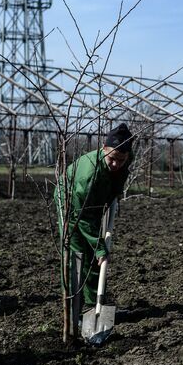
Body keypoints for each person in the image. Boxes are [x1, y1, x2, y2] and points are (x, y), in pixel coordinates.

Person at [54, 123, 134, 313]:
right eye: (112, 158)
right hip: (71, 206)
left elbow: (118, 178)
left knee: (94, 258)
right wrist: (99, 247)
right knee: (78, 254)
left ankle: (94, 305)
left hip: (94, 202)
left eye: (121, 160)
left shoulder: (124, 160)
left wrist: (114, 194)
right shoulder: (89, 176)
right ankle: (74, 310)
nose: (116, 164)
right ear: (103, 149)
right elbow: (83, 216)